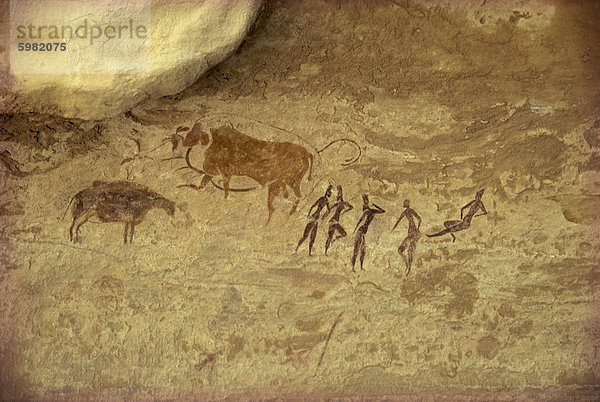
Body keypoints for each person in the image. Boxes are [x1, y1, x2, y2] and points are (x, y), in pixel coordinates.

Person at [351, 195, 385, 272]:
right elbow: (360, 221)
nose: (365, 203)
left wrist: (375, 205)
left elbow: (383, 211)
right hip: (360, 232)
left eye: (366, 200)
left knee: (363, 251)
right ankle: (353, 267)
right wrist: (355, 229)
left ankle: (361, 267)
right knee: (356, 250)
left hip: (363, 233)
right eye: (364, 201)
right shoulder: (366, 212)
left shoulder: (371, 211)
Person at [295, 186, 332, 255]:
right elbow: (313, 206)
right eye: (329, 192)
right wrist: (308, 215)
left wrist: (323, 217)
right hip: (314, 218)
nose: (330, 194)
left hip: (316, 220)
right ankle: (296, 249)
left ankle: (309, 252)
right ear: (327, 192)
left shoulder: (326, 200)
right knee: (306, 235)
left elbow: (329, 210)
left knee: (313, 237)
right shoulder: (322, 199)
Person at [392, 199, 421, 275]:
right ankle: (407, 265)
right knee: (400, 250)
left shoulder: (410, 211)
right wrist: (393, 228)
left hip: (414, 233)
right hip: (410, 232)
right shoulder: (405, 212)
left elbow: (419, 219)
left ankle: (409, 268)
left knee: (410, 251)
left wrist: (418, 228)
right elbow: (398, 220)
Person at [322, 186, 353, 255]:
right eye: (339, 194)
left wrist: (345, 211)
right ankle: (325, 251)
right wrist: (324, 216)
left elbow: (351, 207)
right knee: (330, 237)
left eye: (340, 194)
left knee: (344, 234)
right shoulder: (337, 204)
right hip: (333, 221)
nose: (339, 196)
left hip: (336, 222)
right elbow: (329, 210)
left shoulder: (343, 203)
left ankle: (335, 238)